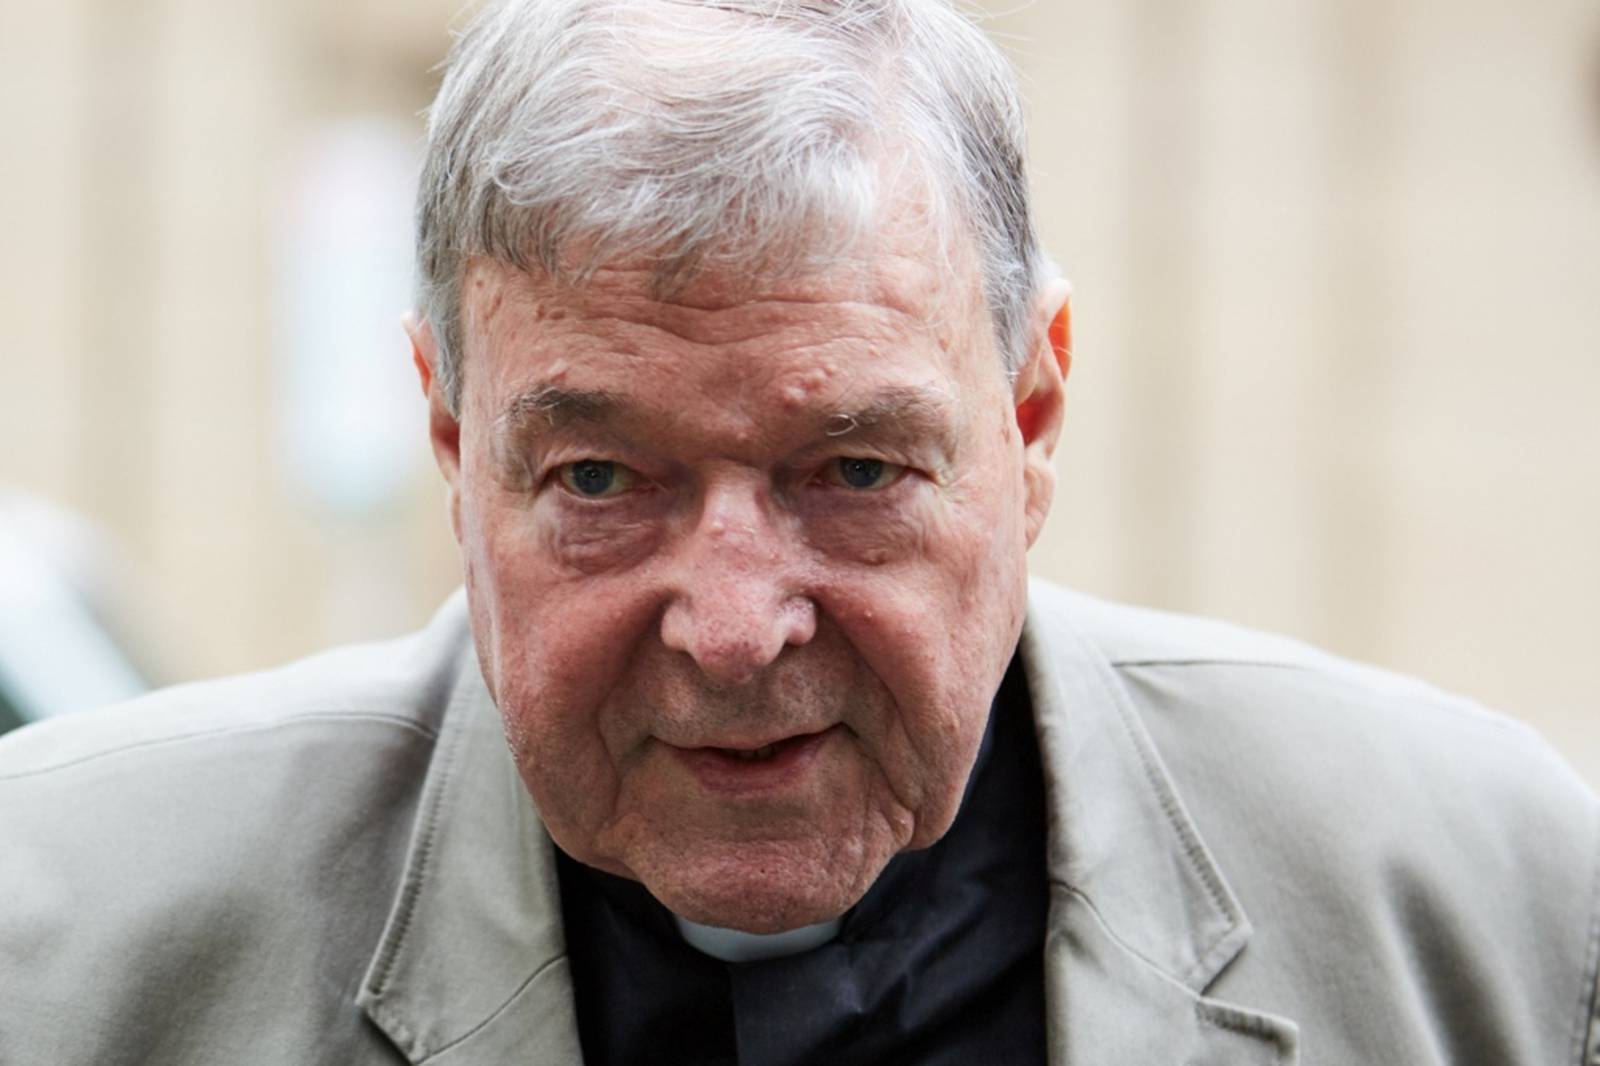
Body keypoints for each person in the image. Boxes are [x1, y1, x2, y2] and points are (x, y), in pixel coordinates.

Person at [2, 0, 1596, 1063]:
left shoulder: (1491, 910)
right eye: (602, 482)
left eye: (852, 469)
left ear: (1030, 419)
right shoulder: (56, 938)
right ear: (450, 435)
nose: (736, 625)